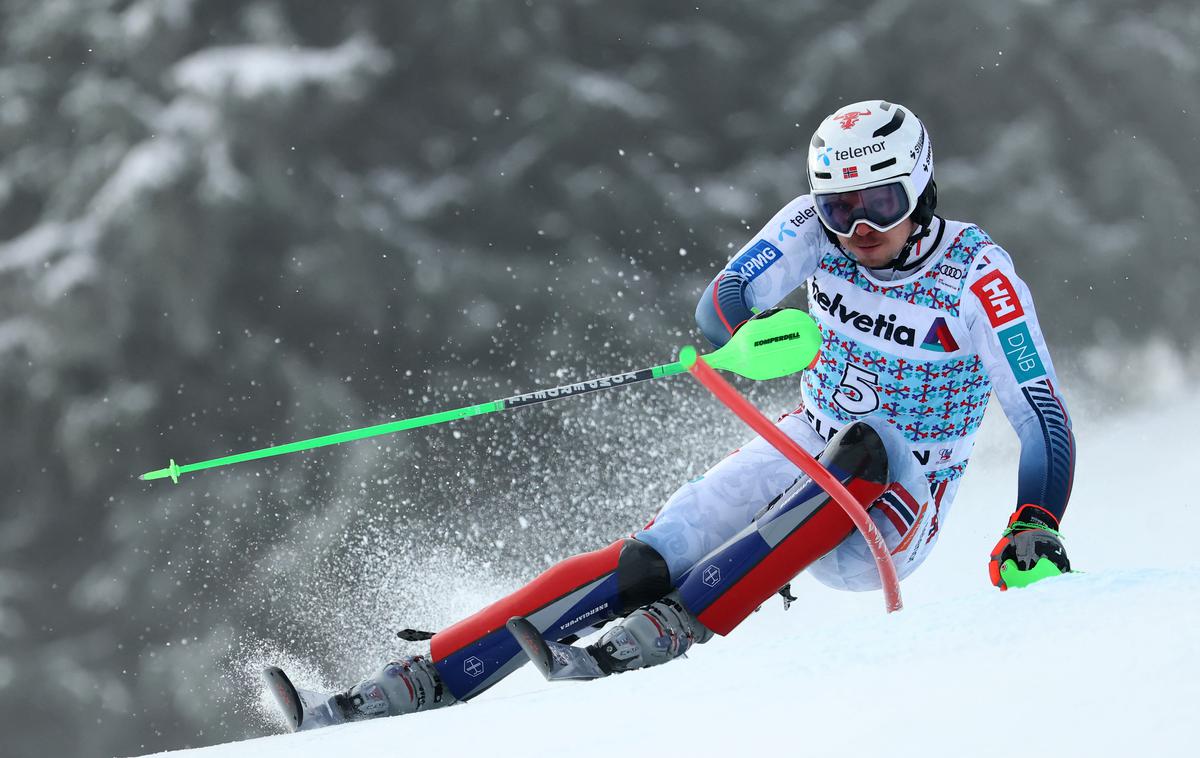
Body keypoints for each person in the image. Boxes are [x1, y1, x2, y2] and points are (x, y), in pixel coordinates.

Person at [265, 100, 1076, 730]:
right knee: (656, 551)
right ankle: (420, 679)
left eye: (883, 203)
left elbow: (1039, 409)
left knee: (864, 447)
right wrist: (742, 337)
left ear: (923, 188)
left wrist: (1034, 521)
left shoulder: (977, 276)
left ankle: (675, 625)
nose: (859, 229)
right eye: (840, 208)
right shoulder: (812, 229)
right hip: (807, 438)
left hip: (900, 497)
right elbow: (721, 302)